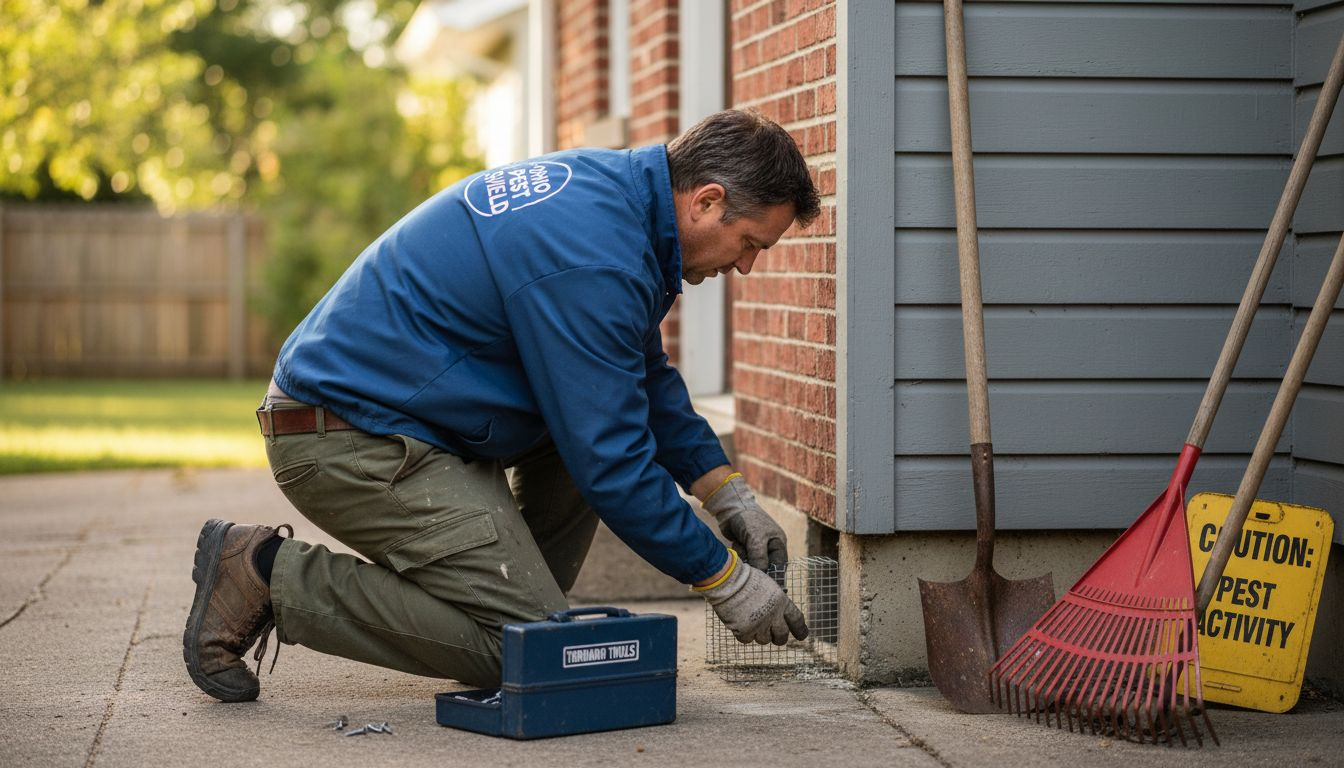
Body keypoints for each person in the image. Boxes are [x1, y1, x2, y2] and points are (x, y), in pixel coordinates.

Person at [182, 109, 822, 702]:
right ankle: (266, 576)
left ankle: (507, 595)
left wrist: (727, 494)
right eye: (750, 245)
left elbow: (642, 381)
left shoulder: (619, 204)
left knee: (541, 595)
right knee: (523, 649)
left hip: (411, 421)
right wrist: (723, 578)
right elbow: (613, 463)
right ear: (707, 200)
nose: (745, 267)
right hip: (345, 436)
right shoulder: (593, 253)